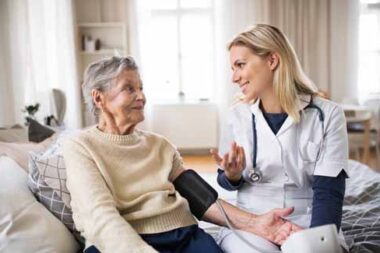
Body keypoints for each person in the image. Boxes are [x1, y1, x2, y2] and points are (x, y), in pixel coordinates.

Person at [62, 56, 301, 253]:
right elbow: (99, 217)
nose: (142, 97)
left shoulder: (160, 145)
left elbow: (203, 201)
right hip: (118, 242)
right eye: (129, 88)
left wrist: (256, 223)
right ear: (98, 97)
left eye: (141, 88)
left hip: (183, 237)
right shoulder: (80, 146)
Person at [211, 24, 348, 253]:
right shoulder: (236, 116)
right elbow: (225, 182)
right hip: (252, 221)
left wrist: (317, 241)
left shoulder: (328, 114)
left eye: (240, 65)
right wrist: (231, 175)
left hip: (307, 220)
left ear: (272, 61)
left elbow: (329, 191)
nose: (234, 77)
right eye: (232, 68)